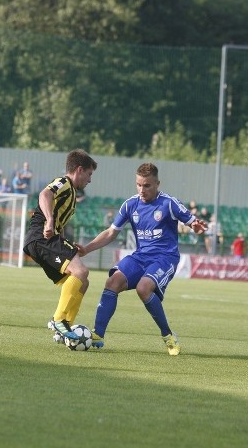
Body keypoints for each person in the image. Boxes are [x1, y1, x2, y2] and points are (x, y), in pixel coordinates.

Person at [79, 162, 208, 356]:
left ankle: (168, 336)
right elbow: (111, 233)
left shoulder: (168, 203)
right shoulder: (130, 205)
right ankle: (98, 336)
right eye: (139, 185)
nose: (142, 190)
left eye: (147, 185)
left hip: (165, 258)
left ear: (157, 184)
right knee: (112, 282)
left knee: (143, 288)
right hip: (141, 256)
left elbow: (191, 220)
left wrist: (195, 226)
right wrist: (86, 249)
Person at [23, 149, 97, 342]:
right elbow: (45, 194)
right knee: (80, 272)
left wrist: (65, 243)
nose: (89, 180)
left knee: (83, 281)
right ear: (79, 170)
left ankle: (64, 330)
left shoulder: (71, 193)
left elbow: (60, 223)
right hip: (41, 237)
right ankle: (58, 319)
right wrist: (49, 221)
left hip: (45, 239)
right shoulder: (64, 183)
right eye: (89, 174)